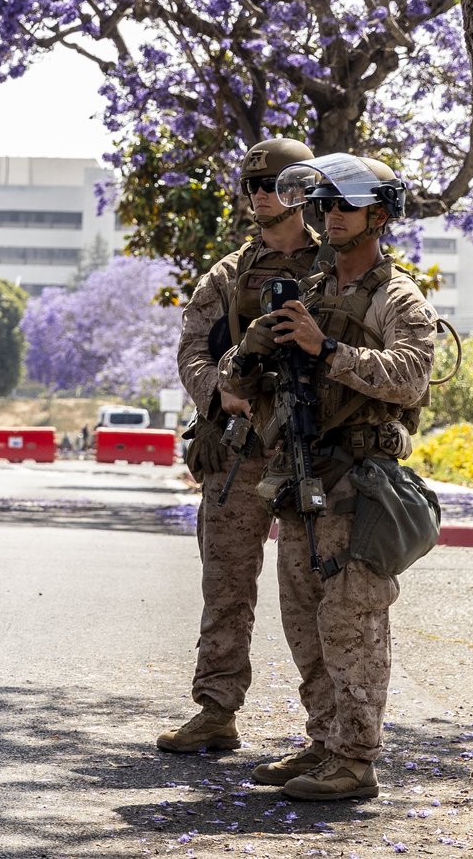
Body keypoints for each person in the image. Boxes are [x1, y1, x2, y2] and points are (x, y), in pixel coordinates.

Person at [219, 153, 436, 800]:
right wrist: (253, 352)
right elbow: (235, 380)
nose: (331, 216)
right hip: (300, 482)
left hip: (358, 485)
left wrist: (329, 350)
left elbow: (412, 374)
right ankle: (323, 741)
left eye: (346, 205)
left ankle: (356, 757)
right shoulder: (307, 293)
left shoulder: (397, 297)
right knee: (305, 622)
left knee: (353, 624)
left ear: (379, 214)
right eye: (325, 205)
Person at [159, 137, 322, 753]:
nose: (258, 196)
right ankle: (216, 710)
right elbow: (191, 350)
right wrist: (218, 394)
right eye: (251, 186)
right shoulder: (228, 274)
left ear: (300, 190)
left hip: (309, 449)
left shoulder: (333, 268)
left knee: (310, 591)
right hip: (238, 448)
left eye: (271, 184)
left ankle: (327, 733)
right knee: (226, 585)